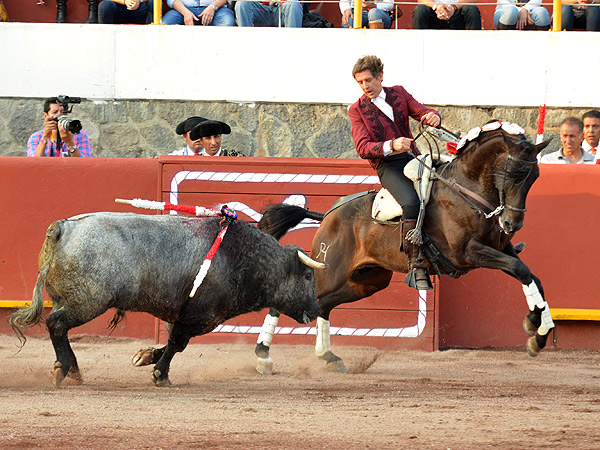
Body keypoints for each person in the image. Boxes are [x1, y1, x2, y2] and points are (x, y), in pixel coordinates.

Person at [348, 55, 440, 290]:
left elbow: (421, 112)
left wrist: (433, 116)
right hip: (388, 165)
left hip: (414, 157)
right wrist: (392, 145)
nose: (365, 86)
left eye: (368, 80)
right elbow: (362, 148)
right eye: (360, 82)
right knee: (410, 202)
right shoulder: (357, 110)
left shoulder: (398, 92)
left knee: (447, 183)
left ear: (380, 77)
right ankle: (416, 264)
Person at [27, 97, 92, 158]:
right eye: (55, 112)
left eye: (63, 112)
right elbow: (34, 163)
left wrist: (69, 142)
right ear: (45, 115)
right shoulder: (36, 137)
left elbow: (84, 163)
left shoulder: (79, 135)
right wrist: (45, 137)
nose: (60, 115)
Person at [413, 0, 481, 29]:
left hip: (458, 12)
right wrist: (437, 6)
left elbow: (473, 0)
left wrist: (454, 7)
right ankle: (418, 47)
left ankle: (474, 47)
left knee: (472, 10)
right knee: (420, 10)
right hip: (435, 12)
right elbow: (421, 0)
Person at [235, 0, 303, 27]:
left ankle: (292, 43)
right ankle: (246, 42)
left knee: (294, 4)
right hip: (261, 9)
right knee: (241, 3)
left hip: (283, 8)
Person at [163, 0, 235, 26]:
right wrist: (185, 12)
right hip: (183, 9)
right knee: (165, 24)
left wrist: (213, 7)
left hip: (216, 9)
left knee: (227, 23)